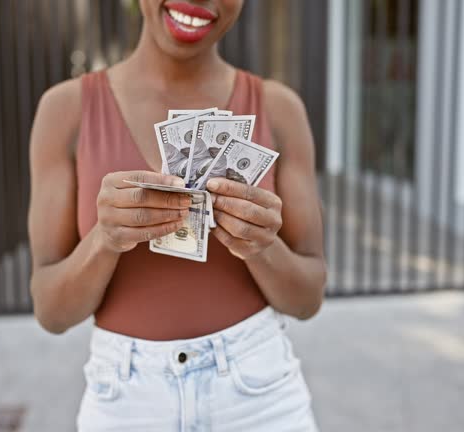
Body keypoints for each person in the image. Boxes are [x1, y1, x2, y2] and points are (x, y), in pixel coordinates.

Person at [27, 1, 326, 430]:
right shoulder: (65, 111)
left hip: (259, 400)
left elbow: (307, 299)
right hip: (127, 402)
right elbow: (51, 312)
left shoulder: (280, 109)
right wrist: (104, 239)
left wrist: (262, 246)